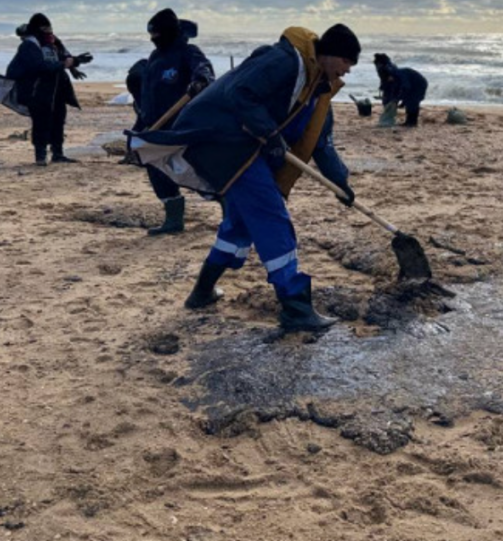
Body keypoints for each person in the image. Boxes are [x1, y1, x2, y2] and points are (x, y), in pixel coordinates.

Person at [130, 24, 360, 332]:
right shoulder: (284, 60)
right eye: (347, 63)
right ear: (331, 55)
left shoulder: (318, 88)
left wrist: (341, 183)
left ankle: (202, 291)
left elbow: (320, 141)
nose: (347, 72)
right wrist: (269, 132)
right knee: (271, 217)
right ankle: (295, 307)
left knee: (240, 224)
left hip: (247, 151)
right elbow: (240, 92)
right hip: (221, 142)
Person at [126, 8, 215, 236]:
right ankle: (173, 219)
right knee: (156, 168)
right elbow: (146, 93)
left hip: (182, 127)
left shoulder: (188, 52)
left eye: (156, 34)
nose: (153, 39)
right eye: (151, 35)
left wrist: (200, 80)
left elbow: (204, 69)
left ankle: (228, 208)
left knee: (200, 169)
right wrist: (141, 124)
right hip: (155, 126)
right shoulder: (155, 57)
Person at [5, 13, 93, 166]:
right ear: (36, 29)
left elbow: (63, 57)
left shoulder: (53, 42)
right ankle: (40, 156)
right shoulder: (29, 45)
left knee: (58, 120)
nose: (49, 31)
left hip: (57, 89)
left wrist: (75, 63)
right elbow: (38, 67)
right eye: (45, 28)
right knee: (41, 122)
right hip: (37, 91)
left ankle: (58, 153)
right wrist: (64, 64)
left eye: (50, 27)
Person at [373, 53, 428, 127]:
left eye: (390, 78)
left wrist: (401, 101)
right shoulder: (384, 73)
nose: (389, 79)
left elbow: (406, 88)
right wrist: (389, 103)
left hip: (418, 84)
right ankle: (408, 121)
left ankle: (412, 122)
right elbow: (387, 91)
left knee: (412, 102)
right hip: (407, 85)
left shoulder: (399, 75)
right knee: (397, 99)